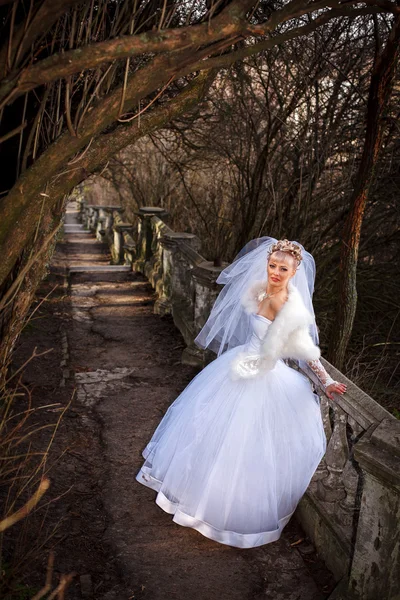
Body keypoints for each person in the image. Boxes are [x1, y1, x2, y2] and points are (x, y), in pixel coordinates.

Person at [136, 237, 346, 548]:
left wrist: (326, 380)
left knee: (245, 445)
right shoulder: (261, 289)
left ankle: (226, 506)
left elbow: (305, 351)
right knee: (216, 437)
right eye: (272, 265)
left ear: (295, 269)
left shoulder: (289, 304)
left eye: (283, 267)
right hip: (241, 366)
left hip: (262, 373)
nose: (275, 271)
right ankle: (204, 504)